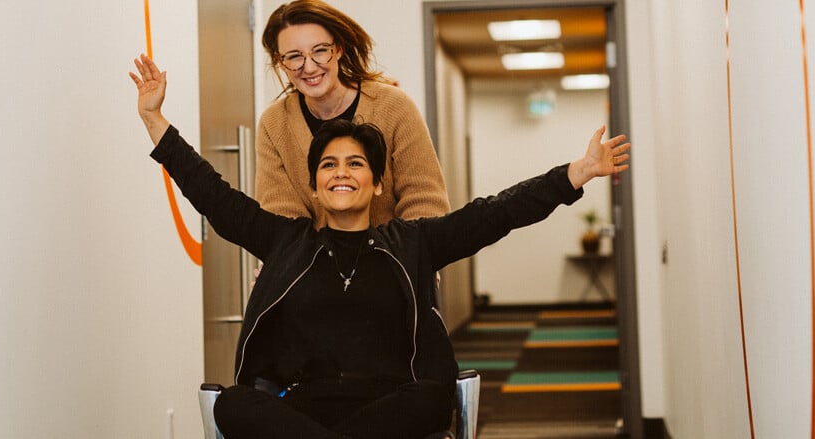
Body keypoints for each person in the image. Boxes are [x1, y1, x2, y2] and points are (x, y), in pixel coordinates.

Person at [130, 54, 630, 439]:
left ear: (374, 185)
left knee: (432, 400)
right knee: (235, 404)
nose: (341, 172)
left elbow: (497, 212)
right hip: (305, 402)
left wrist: (576, 174)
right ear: (315, 185)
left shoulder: (413, 241)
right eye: (328, 165)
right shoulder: (284, 239)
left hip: (391, 402)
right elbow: (211, 193)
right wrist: (156, 120)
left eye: (355, 164)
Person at [257, 0, 450, 229]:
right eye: (294, 56)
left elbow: (425, 203)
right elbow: (282, 222)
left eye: (320, 51)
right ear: (281, 61)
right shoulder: (274, 123)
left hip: (395, 260)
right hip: (314, 264)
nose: (309, 67)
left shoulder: (394, 106)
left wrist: (390, 260)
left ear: (338, 49)